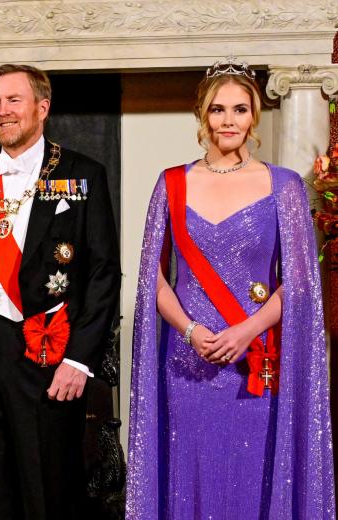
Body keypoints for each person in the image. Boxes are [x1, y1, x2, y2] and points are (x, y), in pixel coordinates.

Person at [126, 57, 335, 519]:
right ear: (202, 115)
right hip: (188, 365)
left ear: (254, 115)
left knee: (254, 477)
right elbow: (152, 278)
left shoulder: (284, 186)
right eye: (218, 110)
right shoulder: (172, 183)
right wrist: (188, 329)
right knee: (191, 476)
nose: (229, 121)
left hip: (255, 365)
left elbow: (298, 283)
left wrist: (245, 332)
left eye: (240, 109)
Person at [0, 64, 121, 519]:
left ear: (42, 107)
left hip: (46, 349)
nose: (2, 112)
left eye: (13, 100)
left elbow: (102, 273)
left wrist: (79, 359)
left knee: (49, 486)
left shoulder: (82, 173)